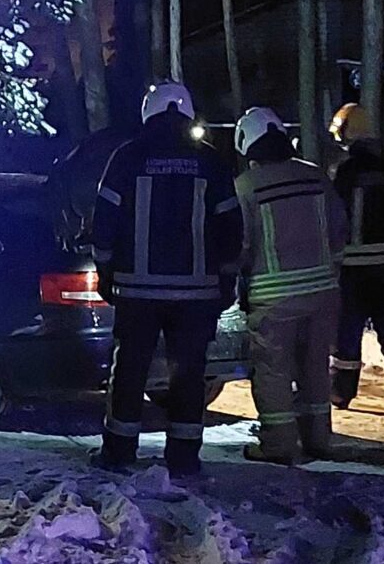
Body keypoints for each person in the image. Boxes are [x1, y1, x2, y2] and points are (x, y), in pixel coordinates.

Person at [90, 82, 242, 475]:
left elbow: (104, 220)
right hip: (196, 293)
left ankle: (119, 451)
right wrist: (227, 277)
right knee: (189, 373)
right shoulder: (209, 161)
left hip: (137, 291)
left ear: (149, 112)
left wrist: (105, 270)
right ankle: (184, 457)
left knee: (130, 370)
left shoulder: (127, 157)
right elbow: (230, 224)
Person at [233, 108, 348, 463]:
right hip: (322, 292)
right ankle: (318, 439)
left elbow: (242, 244)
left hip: (273, 298)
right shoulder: (315, 177)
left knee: (272, 370)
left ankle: (279, 444)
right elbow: (339, 229)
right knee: (315, 366)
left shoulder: (245, 187)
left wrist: (239, 280)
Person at [328, 103, 384, 419]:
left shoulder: (344, 173)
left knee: (347, 334)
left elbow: (333, 216)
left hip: (352, 269)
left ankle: (340, 392)